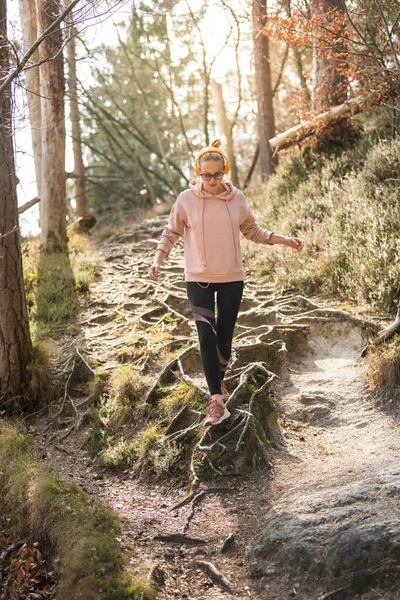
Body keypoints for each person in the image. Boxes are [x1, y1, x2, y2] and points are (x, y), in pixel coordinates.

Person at [148, 139, 304, 426]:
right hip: (198, 279)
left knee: (225, 337)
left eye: (217, 175)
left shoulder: (237, 199)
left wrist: (284, 240)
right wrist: (158, 260)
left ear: (225, 171)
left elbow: (253, 230)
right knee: (206, 336)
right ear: (198, 172)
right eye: (205, 175)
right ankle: (216, 401)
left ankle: (219, 382)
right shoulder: (186, 200)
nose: (210, 181)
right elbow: (170, 232)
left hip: (232, 278)